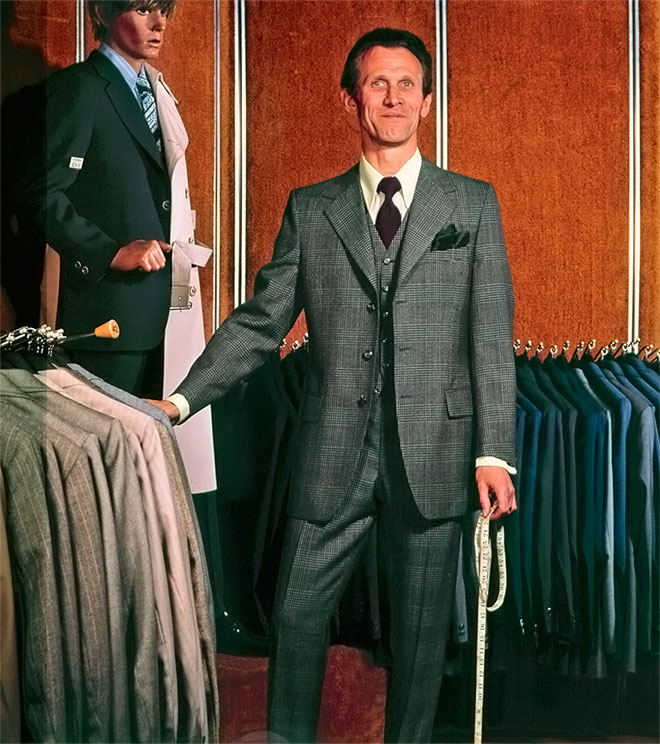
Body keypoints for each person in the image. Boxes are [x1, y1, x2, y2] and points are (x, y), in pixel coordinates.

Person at [157, 26, 518, 743]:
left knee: (421, 640)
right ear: (352, 98)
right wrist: (179, 399)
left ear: (426, 102)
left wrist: (494, 453)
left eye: (407, 84)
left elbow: (489, 337)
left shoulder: (471, 205)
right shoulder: (312, 208)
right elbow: (262, 322)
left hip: (434, 452)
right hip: (330, 453)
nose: (394, 97)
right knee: (295, 622)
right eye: (378, 83)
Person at [15, 0, 192, 399]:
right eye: (143, 9)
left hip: (163, 315)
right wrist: (108, 252)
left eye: (163, 11)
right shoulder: (79, 87)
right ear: (102, 12)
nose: (159, 24)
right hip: (107, 320)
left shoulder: (158, 93)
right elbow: (38, 194)